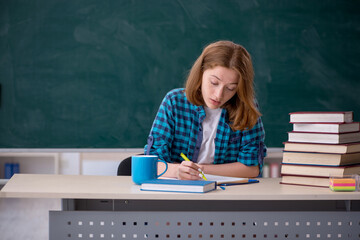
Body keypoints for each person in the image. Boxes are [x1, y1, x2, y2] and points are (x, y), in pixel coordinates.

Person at [144, 40, 266, 180]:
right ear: (201, 72)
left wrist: (200, 169)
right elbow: (152, 162)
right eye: (214, 83)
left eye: (231, 88)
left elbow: (251, 168)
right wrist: (177, 171)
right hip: (178, 193)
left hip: (225, 194)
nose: (218, 95)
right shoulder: (174, 102)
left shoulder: (245, 107)